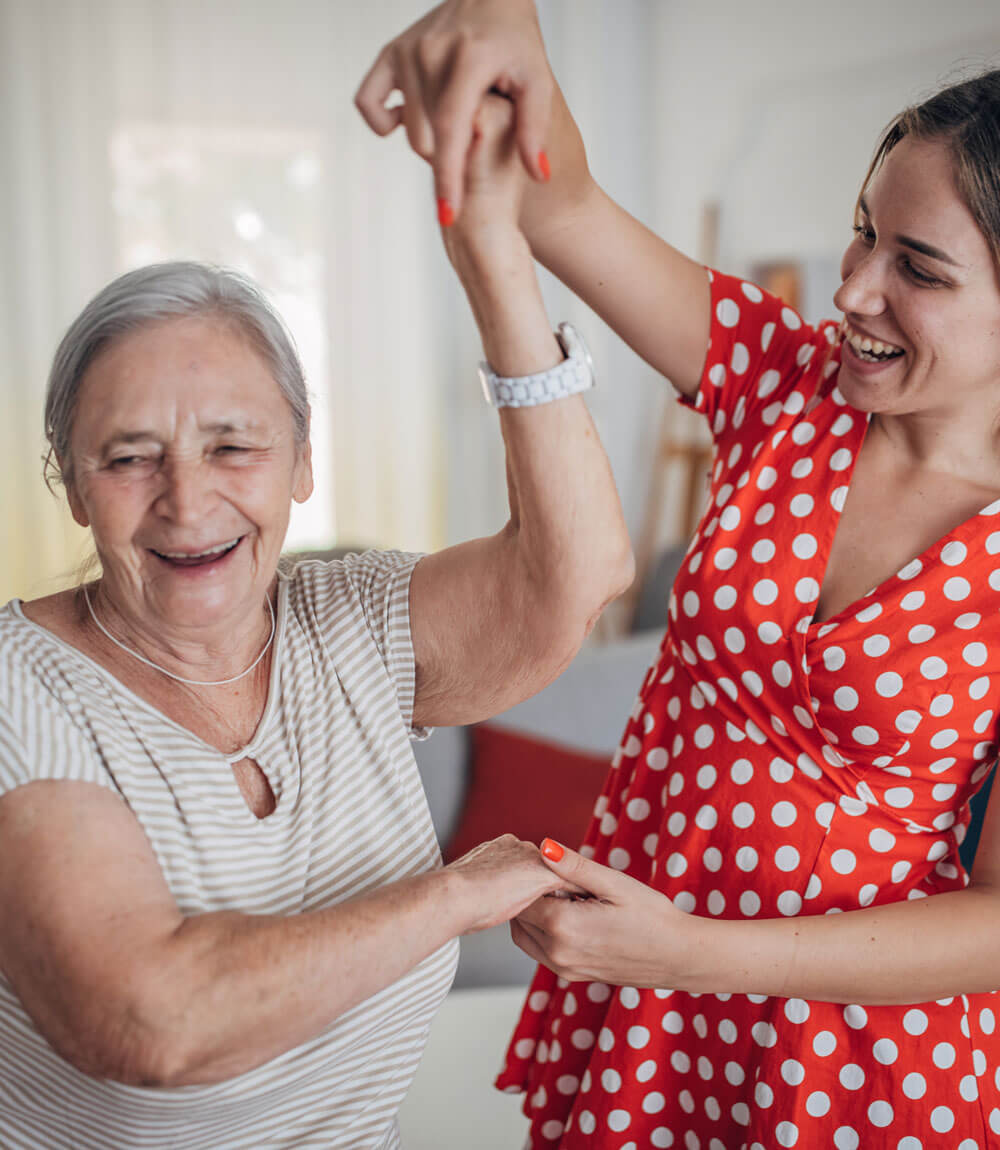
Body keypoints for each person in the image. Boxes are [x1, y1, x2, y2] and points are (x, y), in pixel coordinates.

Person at [358, 4, 1000, 1146]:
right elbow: (561, 201)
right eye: (861, 233)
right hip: (650, 1012)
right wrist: (505, 20)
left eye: (918, 267)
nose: (852, 290)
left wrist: (690, 950)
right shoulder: (784, 383)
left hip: (863, 1058)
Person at [0, 92, 633, 1147]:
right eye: (129, 456)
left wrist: (491, 257)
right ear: (70, 483)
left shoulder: (352, 618)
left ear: (303, 460)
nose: (187, 501)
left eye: (233, 445)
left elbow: (578, 573)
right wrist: (448, 897)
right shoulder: (22, 689)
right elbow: (150, 1019)